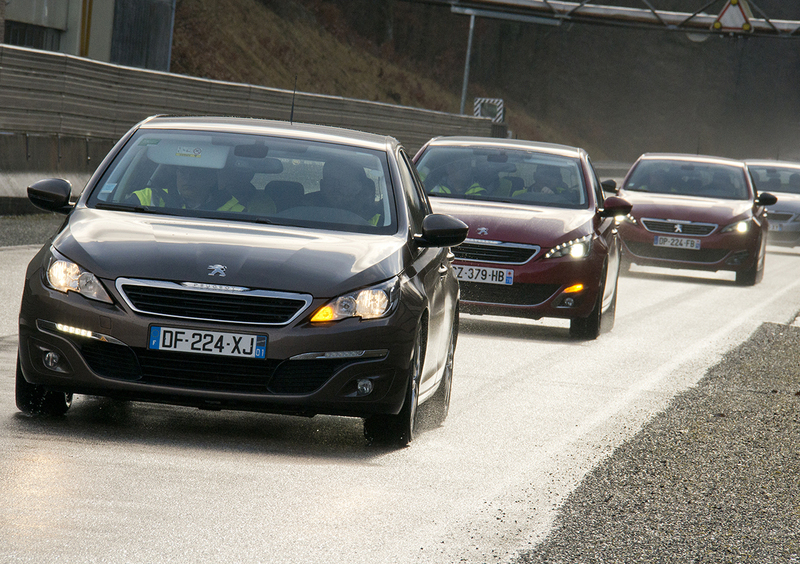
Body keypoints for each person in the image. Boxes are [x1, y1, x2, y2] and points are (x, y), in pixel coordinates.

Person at [316, 159, 382, 225]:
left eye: (344, 183)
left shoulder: (382, 222)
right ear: (322, 185)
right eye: (331, 181)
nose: (336, 187)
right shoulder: (308, 210)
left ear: (358, 188)